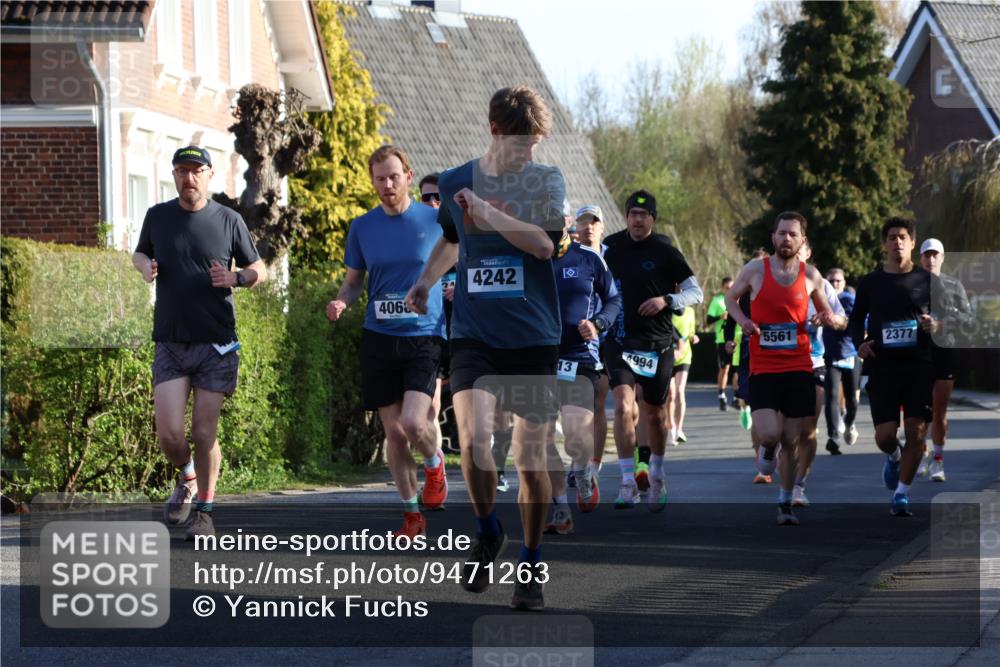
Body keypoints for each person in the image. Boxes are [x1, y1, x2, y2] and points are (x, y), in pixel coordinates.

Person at [405, 86, 572, 611]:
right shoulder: (456, 180)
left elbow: (543, 245)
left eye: (536, 144)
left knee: (529, 460)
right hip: (475, 334)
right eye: (522, 144)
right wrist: (425, 281)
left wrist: (486, 211)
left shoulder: (545, 180)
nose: (530, 154)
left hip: (533, 338)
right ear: (495, 131)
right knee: (475, 440)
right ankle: (486, 529)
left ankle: (531, 561)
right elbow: (453, 239)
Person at [133, 145, 268, 541]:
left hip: (216, 343)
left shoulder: (228, 220)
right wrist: (146, 268)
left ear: (209, 175)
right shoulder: (158, 217)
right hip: (171, 341)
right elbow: (140, 253)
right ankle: (187, 475)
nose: (188, 178)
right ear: (173, 175)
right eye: (181, 171)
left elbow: (258, 267)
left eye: (196, 171)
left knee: (204, 432)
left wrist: (237, 279)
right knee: (170, 434)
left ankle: (205, 512)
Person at [328, 146, 448, 538]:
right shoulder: (363, 227)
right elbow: (353, 281)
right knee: (393, 433)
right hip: (379, 336)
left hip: (423, 336)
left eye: (394, 176)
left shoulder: (436, 221)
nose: (387, 184)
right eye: (380, 178)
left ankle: (434, 463)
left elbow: (457, 268)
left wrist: (449, 291)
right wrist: (341, 302)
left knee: (414, 422)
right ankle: (411, 513)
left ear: (409, 177)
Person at [724, 212, 837, 526]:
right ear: (773, 237)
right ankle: (767, 450)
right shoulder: (755, 270)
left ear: (802, 241)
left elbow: (830, 313)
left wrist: (824, 318)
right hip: (764, 367)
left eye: (793, 235)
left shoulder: (811, 275)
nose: (786, 239)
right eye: (781, 233)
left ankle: (785, 502)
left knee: (792, 438)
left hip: (799, 367)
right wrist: (744, 321)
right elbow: (730, 298)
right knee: (770, 434)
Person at [604, 190, 703, 511]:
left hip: (657, 344)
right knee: (621, 406)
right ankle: (626, 481)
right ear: (626, 215)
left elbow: (695, 292)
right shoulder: (610, 247)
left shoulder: (665, 251)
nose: (638, 219)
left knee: (655, 414)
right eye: (633, 213)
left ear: (653, 219)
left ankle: (656, 473)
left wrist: (667, 301)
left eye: (644, 215)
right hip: (619, 340)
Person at [850, 218, 940, 517]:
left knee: (916, 432)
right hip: (883, 367)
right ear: (884, 243)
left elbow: (951, 321)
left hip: (918, 366)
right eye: (891, 237)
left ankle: (901, 494)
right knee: (885, 436)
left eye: (903, 237)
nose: (897, 242)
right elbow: (854, 320)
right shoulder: (871, 282)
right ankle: (894, 456)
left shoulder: (928, 282)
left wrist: (935, 324)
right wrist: (859, 343)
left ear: (912, 242)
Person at [543, 223, 622, 534]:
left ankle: (585, 469)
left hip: (578, 357)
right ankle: (561, 507)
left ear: (565, 222)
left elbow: (614, 300)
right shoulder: (528, 258)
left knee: (576, 437)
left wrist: (599, 323)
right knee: (541, 438)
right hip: (539, 359)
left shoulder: (588, 258)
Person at [791, 240, 847, 507]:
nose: (793, 252)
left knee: (808, 430)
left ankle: (798, 485)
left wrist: (829, 319)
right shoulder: (772, 280)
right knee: (783, 432)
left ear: (808, 253)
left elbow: (841, 319)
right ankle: (774, 458)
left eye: (800, 249)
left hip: (814, 362)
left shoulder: (821, 283)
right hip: (780, 364)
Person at [917, 238, 971, 482]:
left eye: (934, 255)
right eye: (926, 255)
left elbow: (968, 320)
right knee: (917, 413)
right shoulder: (910, 283)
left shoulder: (953, 285)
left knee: (939, 412)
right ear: (920, 258)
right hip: (916, 354)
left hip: (944, 352)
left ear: (942, 257)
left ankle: (938, 461)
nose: (930, 259)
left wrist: (940, 324)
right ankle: (921, 452)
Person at [822, 267, 860, 455]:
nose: (835, 284)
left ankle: (850, 422)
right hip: (831, 356)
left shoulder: (849, 300)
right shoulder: (821, 300)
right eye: (831, 281)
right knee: (831, 396)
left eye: (838, 281)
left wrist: (840, 321)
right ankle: (833, 437)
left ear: (844, 283)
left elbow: (857, 322)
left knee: (852, 400)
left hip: (851, 354)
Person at [668, 300, 698, 444]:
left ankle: (679, 429)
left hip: (685, 355)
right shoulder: (667, 310)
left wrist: (693, 337)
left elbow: (691, 330)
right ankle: (671, 426)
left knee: (680, 391)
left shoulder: (691, 311)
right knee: (671, 394)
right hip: (669, 355)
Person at [708, 278, 735, 410]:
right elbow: (708, 320)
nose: (730, 290)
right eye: (727, 288)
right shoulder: (717, 301)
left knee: (738, 369)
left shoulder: (739, 300)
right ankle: (721, 394)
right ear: (722, 288)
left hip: (738, 338)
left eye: (732, 287)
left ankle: (737, 397)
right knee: (725, 369)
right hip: (722, 339)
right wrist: (720, 317)